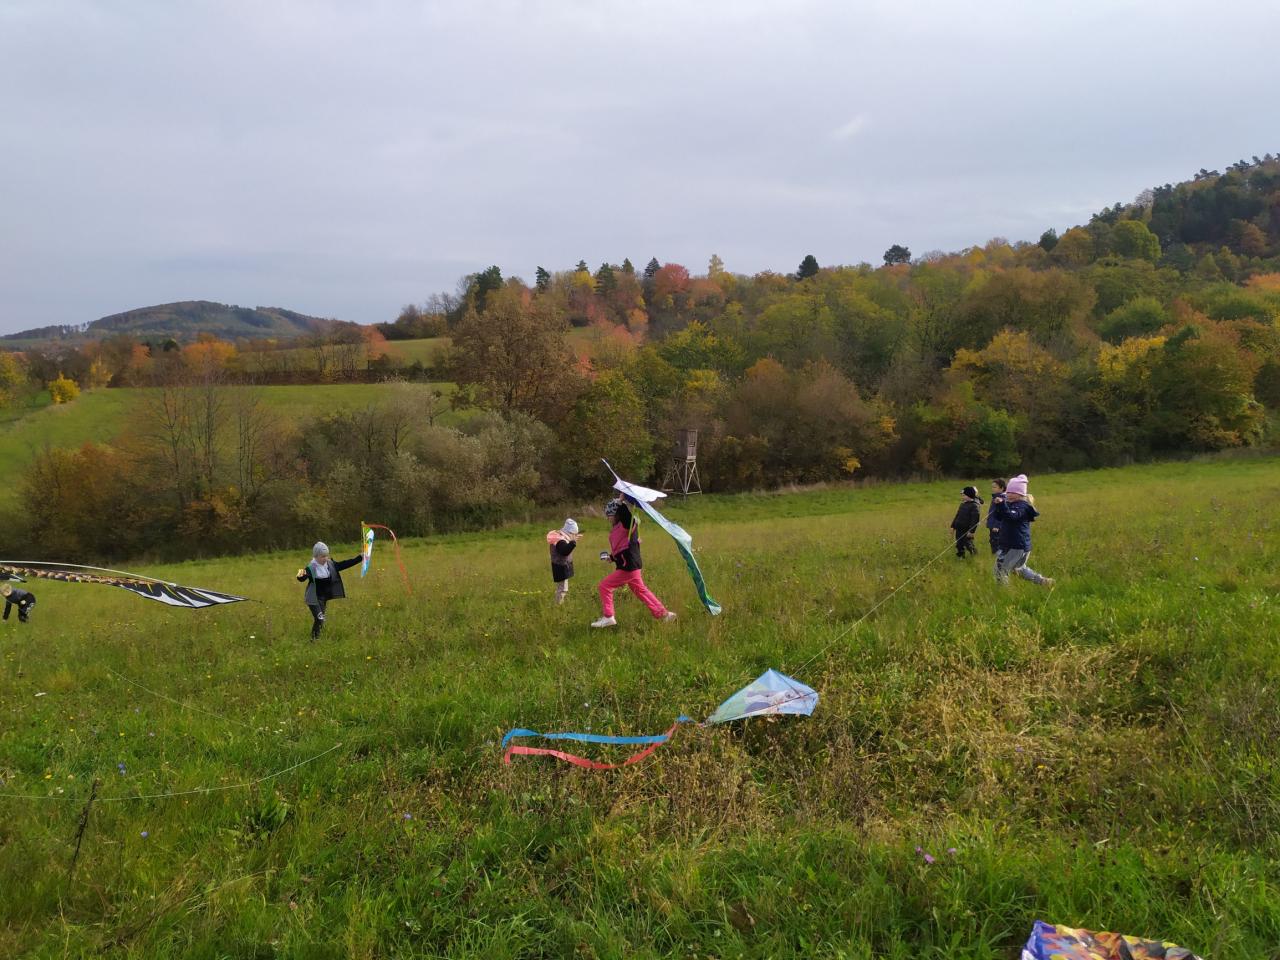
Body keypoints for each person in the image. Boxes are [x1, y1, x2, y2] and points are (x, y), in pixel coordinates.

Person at [591, 494, 677, 628]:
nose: (608, 518)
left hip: (628, 567)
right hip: (631, 566)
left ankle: (608, 617)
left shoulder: (627, 524)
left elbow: (627, 517)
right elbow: (622, 547)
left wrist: (620, 502)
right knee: (641, 591)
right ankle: (665, 614)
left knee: (604, 586)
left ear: (616, 514)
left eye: (609, 515)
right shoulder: (619, 528)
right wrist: (611, 557)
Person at [991, 474, 1054, 587]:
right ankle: (1042, 581)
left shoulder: (1022, 506)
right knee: (1018, 568)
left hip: (1017, 546)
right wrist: (998, 507)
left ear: (1020, 494)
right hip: (1010, 544)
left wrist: (1002, 505)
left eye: (1012, 492)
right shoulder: (1010, 504)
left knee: (1000, 569)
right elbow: (1000, 517)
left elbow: (1012, 517)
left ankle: (1003, 592)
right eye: (1008, 492)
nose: (1008, 494)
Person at [296, 541, 363, 640]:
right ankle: (313, 640)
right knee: (319, 618)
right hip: (313, 598)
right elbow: (301, 577)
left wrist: (360, 558)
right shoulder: (311, 567)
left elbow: (344, 564)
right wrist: (300, 574)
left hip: (323, 598)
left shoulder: (330, 564)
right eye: (322, 556)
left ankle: (316, 638)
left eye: (326, 556)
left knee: (321, 620)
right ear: (316, 556)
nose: (325, 558)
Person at [548, 518, 580, 605]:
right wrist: (573, 543)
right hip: (560, 567)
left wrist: (572, 541)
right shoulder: (561, 541)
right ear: (569, 532)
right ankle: (558, 605)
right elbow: (564, 551)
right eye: (574, 534)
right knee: (562, 589)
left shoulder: (561, 537)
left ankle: (559, 603)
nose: (575, 535)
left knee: (562, 588)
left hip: (561, 566)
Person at [949, 486, 983, 558]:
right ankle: (961, 556)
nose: (962, 497)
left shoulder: (974, 506)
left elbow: (975, 520)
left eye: (964, 495)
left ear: (969, 495)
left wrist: (971, 531)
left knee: (968, 544)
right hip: (959, 528)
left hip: (967, 530)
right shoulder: (962, 504)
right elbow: (957, 516)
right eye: (962, 495)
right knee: (959, 544)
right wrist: (953, 526)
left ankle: (974, 554)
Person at [986, 478, 1007, 555]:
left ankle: (999, 557)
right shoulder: (995, 497)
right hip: (992, 524)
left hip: (997, 527)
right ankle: (996, 556)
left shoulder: (1002, 499)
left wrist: (997, 525)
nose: (993, 489)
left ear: (1002, 488)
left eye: (995, 487)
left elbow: (1002, 514)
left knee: (996, 542)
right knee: (992, 541)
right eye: (992, 487)